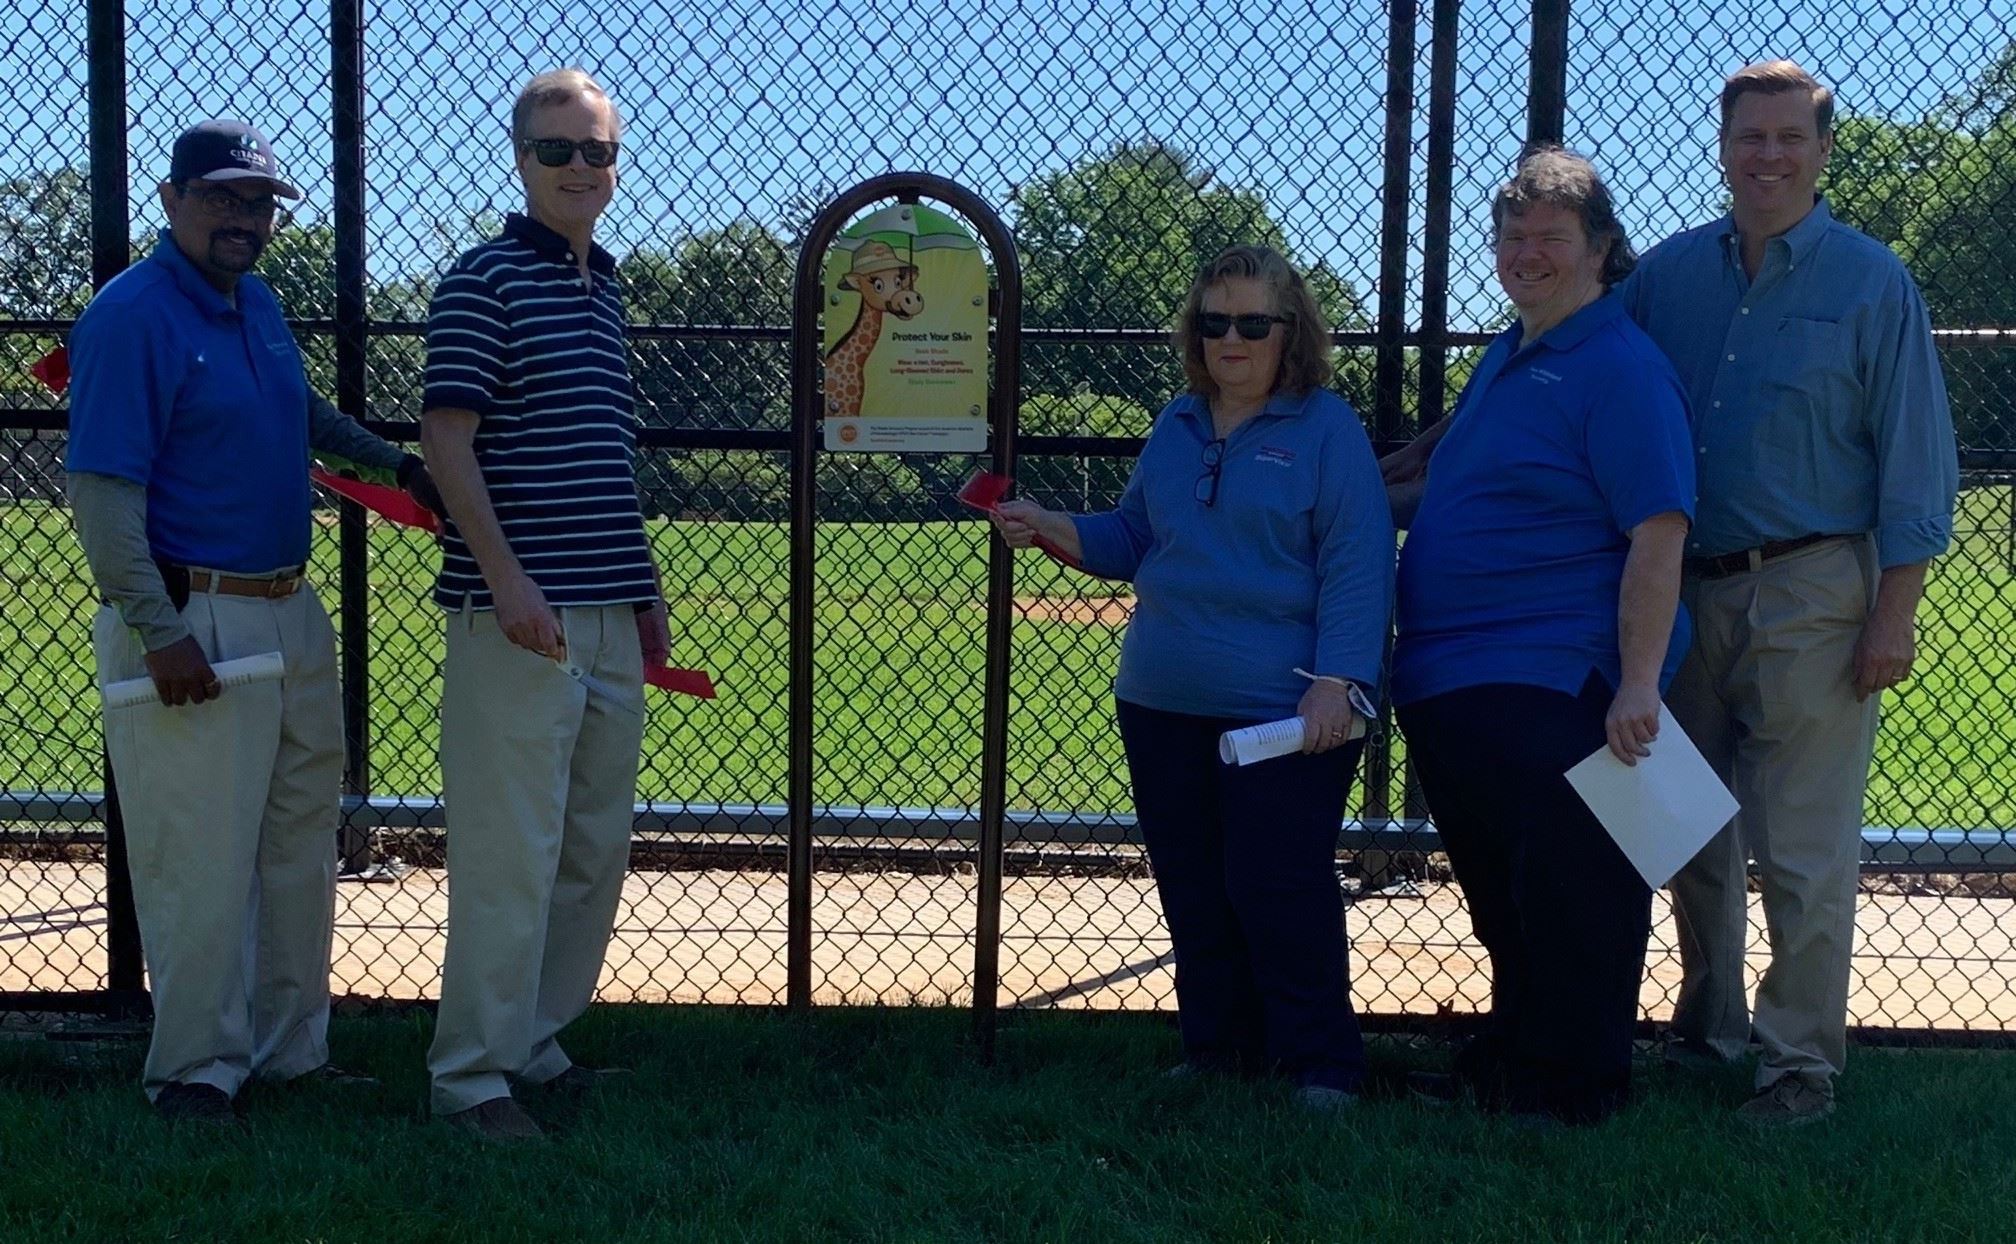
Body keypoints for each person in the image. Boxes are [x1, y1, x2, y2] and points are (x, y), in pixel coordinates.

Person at [65, 119, 442, 1124]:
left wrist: (395, 463)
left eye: (260, 203)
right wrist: (159, 630)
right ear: (172, 199)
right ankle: (197, 1069)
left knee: (295, 848)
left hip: (287, 608)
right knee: (199, 858)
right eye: (222, 198)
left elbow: (301, 415)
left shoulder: (256, 302)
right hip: (194, 615)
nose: (244, 218)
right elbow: (102, 495)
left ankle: (288, 1053)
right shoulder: (131, 315)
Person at [1617, 61, 1959, 1124]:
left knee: (1803, 847)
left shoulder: (1871, 282)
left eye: (1789, 138)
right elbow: (1581, 367)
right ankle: (1708, 1030)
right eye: (1749, 137)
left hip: (1814, 587)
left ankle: (1799, 1065)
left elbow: (1915, 462)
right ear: (1722, 147)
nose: (1768, 155)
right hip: (1681, 590)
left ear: (1822, 151)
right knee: (1686, 829)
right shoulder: (1665, 277)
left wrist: (1893, 611)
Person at [992, 245, 1393, 1110]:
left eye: (1253, 322)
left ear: (1292, 332)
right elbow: (1134, 537)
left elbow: (1358, 565)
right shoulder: (1176, 423)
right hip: (1161, 700)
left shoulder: (1327, 429)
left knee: (1277, 885)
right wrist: (1050, 522)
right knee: (1194, 885)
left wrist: (1337, 680)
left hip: (1284, 713)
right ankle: (1218, 1050)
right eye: (1214, 323)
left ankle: (1321, 1066)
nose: (1231, 340)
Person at [1388, 148, 1694, 1125]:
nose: (1527, 253)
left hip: (1561, 677)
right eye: (1512, 236)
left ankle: (1576, 1086)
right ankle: (1516, 1058)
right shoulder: (1507, 355)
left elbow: (1659, 528)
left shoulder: (1621, 367)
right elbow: (1451, 491)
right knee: (1503, 894)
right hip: (1453, 674)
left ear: (1600, 249)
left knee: (1576, 891)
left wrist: (1637, 682)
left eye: (1551, 237)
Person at [420, 68, 668, 1142]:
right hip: (518, 618)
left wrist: (644, 591)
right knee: (511, 852)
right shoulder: (482, 280)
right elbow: (447, 441)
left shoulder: (604, 288)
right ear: (521, 160)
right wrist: (508, 579)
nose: (578, 168)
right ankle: (470, 1076)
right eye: (557, 149)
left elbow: (609, 459)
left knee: (589, 848)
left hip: (608, 610)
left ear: (616, 165)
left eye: (596, 151)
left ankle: (534, 1040)